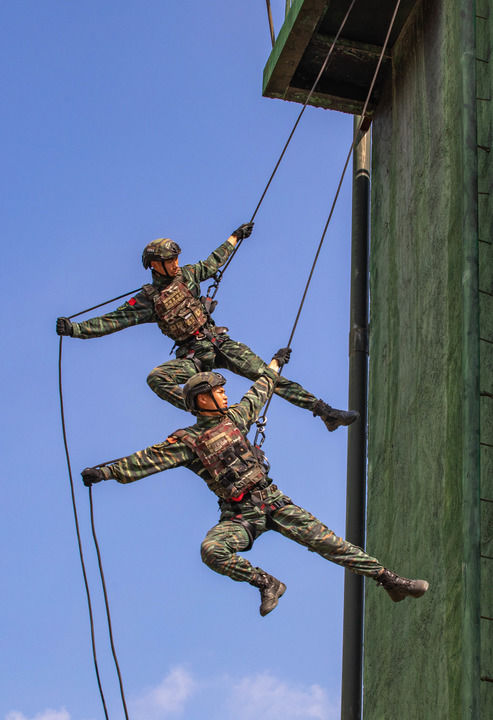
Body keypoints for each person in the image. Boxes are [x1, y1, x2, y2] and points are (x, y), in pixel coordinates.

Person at [81, 349, 429, 617]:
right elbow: (145, 460)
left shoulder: (235, 418)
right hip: (239, 517)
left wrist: (275, 363)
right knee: (211, 551)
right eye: (218, 391)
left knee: (331, 544)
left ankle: (389, 580)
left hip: (273, 502)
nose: (225, 395)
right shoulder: (187, 441)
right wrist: (105, 472)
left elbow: (261, 389)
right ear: (203, 398)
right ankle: (267, 583)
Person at [56, 224, 357, 432]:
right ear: (154, 266)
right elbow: (110, 321)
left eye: (175, 259)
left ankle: (324, 412)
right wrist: (74, 329)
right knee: (156, 379)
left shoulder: (188, 275)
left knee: (268, 375)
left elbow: (213, 262)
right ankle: (204, 414)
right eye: (168, 261)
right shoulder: (147, 300)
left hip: (219, 342)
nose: (175, 264)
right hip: (194, 357)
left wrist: (234, 238)